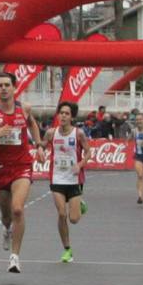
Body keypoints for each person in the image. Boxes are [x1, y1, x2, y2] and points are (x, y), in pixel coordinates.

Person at [0, 72, 44, 273]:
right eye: (0, 85)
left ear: (14, 88)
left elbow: (32, 124)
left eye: (7, 85)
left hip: (22, 166)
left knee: (18, 209)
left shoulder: (24, 109)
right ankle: (6, 228)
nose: (3, 88)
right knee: (6, 215)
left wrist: (38, 145)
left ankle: (15, 257)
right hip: (0, 169)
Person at [40, 101, 89, 263]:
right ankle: (67, 249)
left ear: (71, 117)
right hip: (57, 178)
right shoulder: (51, 133)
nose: (63, 116)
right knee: (62, 214)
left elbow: (88, 152)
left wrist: (80, 164)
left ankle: (80, 204)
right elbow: (41, 145)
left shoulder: (79, 134)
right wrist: (39, 151)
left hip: (74, 179)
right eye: (61, 113)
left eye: (67, 113)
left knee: (74, 219)